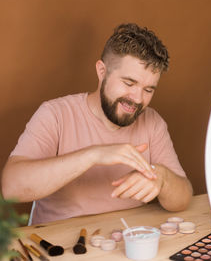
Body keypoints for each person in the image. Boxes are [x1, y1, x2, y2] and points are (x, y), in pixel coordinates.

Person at [1, 23, 193, 225]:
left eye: (148, 90)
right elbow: (11, 188)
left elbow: (183, 198)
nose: (137, 98)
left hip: (127, 244)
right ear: (102, 71)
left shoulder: (153, 122)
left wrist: (162, 178)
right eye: (129, 83)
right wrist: (93, 155)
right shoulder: (54, 114)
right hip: (62, 247)